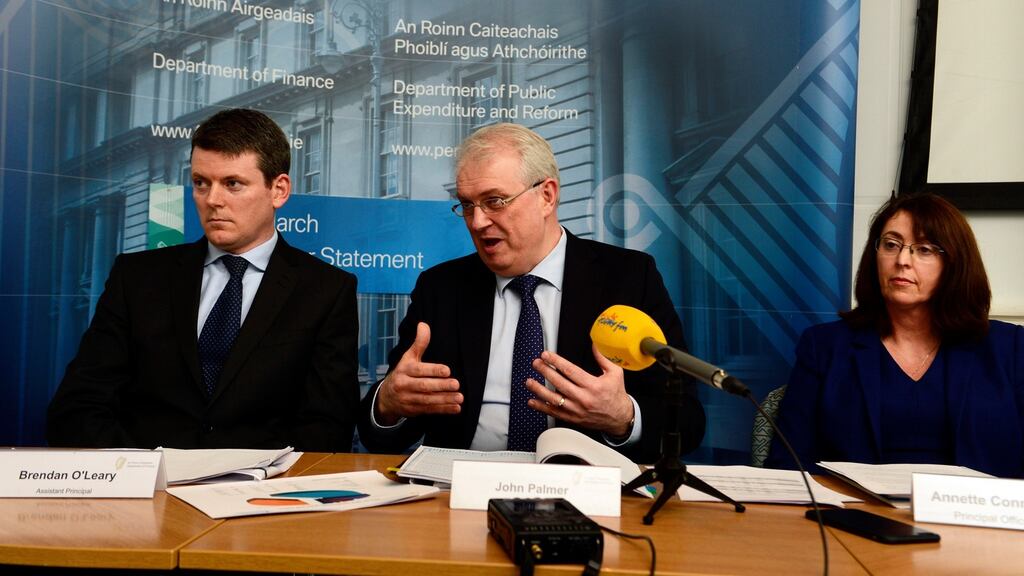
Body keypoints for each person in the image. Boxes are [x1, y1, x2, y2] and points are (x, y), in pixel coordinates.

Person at [357, 123, 704, 463]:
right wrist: (387, 403)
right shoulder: (441, 288)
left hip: (584, 489)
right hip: (460, 486)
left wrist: (623, 417)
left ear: (546, 196)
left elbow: (687, 420)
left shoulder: (628, 278)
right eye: (466, 204)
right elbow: (383, 433)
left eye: (495, 201)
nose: (477, 222)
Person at [47, 108, 359, 452]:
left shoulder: (327, 291)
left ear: (279, 190)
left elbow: (327, 428)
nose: (212, 200)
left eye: (232, 184)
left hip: (258, 497)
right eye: (200, 183)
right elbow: (78, 408)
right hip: (146, 489)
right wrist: (143, 473)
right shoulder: (136, 278)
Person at [766, 193, 1024, 478]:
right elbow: (786, 465)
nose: (902, 260)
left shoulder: (1010, 348)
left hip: (975, 516)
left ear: (954, 263)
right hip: (856, 518)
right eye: (891, 245)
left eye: (924, 249)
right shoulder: (824, 347)